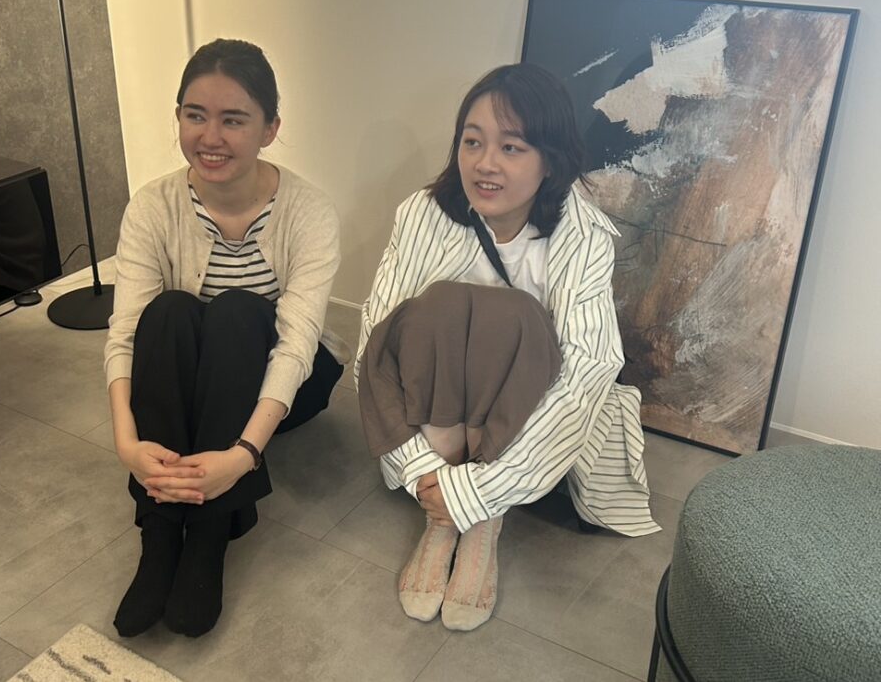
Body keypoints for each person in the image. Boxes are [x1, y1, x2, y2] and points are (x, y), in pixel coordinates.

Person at [355, 63, 659, 632]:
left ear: (551, 160)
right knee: (436, 308)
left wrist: (480, 493)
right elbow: (376, 344)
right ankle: (441, 518)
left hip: (521, 427)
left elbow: (587, 372)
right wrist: (425, 475)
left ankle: (481, 524)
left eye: (511, 147)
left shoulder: (582, 236)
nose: (485, 163)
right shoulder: (424, 212)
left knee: (514, 317)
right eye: (472, 142)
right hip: (436, 431)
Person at [104, 38, 347, 638]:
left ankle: (209, 536)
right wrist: (128, 445)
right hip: (196, 375)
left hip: (282, 383)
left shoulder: (309, 212)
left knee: (238, 311)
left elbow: (295, 345)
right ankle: (161, 534)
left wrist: (241, 456)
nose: (210, 137)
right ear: (179, 117)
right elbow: (127, 334)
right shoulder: (153, 206)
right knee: (168, 313)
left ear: (270, 128)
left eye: (233, 120)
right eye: (196, 115)